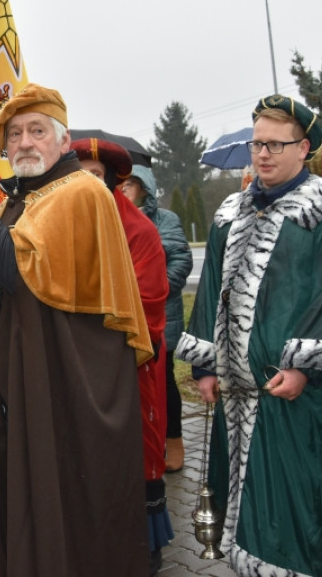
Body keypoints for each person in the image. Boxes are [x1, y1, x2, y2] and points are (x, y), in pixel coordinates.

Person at [0, 84, 153, 576]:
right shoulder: (23, 200)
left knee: (67, 509)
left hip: (68, 388)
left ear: (62, 139)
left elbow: (13, 263)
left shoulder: (78, 192)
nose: (25, 143)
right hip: (26, 383)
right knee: (21, 500)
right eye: (14, 134)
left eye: (36, 131)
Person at [177, 95, 322, 577]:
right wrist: (205, 363)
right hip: (240, 397)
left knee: (305, 516)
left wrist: (305, 366)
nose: (262, 154)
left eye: (275, 144)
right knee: (248, 513)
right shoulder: (231, 214)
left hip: (303, 400)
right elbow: (212, 293)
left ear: (303, 148)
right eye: (256, 143)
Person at [72, 138, 173, 575]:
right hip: (75, 365)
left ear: (113, 181)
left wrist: (100, 340)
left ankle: (146, 544)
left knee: (137, 449)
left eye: (94, 175)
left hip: (128, 361)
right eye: (78, 175)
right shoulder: (60, 224)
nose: (85, 183)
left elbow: (149, 300)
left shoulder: (139, 230)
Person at [121, 164, 193, 472]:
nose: (123, 189)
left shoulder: (165, 220)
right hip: (125, 315)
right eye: (120, 183)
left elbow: (181, 258)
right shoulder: (109, 217)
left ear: (144, 188)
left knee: (164, 382)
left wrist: (157, 286)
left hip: (161, 314)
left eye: (130, 184)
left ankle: (173, 438)